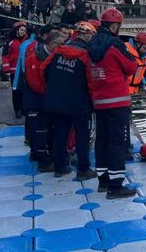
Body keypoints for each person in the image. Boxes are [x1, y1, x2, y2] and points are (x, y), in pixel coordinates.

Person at [88, 9, 138, 198]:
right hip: (117, 100)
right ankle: (116, 186)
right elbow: (131, 67)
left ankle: (103, 180)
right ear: (115, 25)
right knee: (117, 143)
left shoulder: (92, 44)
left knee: (101, 140)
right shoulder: (114, 44)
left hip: (99, 100)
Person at [42, 22, 97, 180]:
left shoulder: (59, 50)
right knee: (82, 136)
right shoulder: (87, 54)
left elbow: (44, 69)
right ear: (87, 35)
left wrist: (52, 89)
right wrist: (93, 101)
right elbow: (91, 81)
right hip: (80, 102)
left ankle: (60, 167)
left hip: (57, 100)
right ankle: (83, 169)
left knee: (60, 134)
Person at [23, 30, 67, 173]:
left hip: (49, 100)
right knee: (39, 130)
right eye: (61, 44)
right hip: (36, 100)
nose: (63, 47)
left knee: (50, 129)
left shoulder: (57, 56)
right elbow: (35, 82)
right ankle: (42, 160)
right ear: (52, 44)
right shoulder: (34, 57)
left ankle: (47, 155)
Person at [123, 31, 146, 159]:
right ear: (138, 44)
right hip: (121, 92)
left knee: (127, 119)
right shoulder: (125, 51)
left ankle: (126, 144)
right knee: (123, 120)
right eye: (145, 48)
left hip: (129, 93)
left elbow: (139, 71)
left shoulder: (141, 54)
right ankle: (124, 148)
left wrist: (144, 84)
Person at [2, 22, 28, 118]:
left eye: (24, 30)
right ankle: (17, 109)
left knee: (24, 91)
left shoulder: (27, 42)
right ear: (17, 30)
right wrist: (7, 70)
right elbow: (5, 56)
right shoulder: (10, 42)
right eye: (21, 30)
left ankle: (24, 108)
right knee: (16, 91)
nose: (23, 32)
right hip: (14, 71)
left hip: (25, 71)